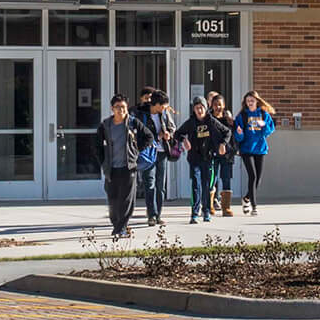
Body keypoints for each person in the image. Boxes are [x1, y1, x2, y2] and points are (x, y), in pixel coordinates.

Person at [95, 97, 154, 240]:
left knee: (126, 200)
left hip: (128, 167)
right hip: (112, 168)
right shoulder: (106, 125)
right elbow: (97, 146)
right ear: (112, 109)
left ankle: (120, 228)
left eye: (123, 107)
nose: (120, 110)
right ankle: (117, 225)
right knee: (113, 199)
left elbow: (149, 136)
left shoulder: (133, 122)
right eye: (117, 107)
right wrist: (103, 162)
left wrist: (136, 150)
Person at [171, 99, 231, 226]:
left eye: (201, 107)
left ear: (206, 108)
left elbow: (227, 132)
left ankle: (207, 211)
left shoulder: (211, 121)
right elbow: (177, 133)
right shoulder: (191, 122)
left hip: (208, 158)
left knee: (207, 186)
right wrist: (184, 140)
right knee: (196, 185)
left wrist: (222, 144)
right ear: (194, 109)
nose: (199, 110)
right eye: (197, 108)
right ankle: (194, 213)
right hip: (195, 159)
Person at [134, 90, 176, 229]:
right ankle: (151, 215)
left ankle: (158, 215)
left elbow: (172, 127)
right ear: (157, 104)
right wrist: (156, 136)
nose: (165, 108)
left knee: (160, 185)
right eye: (163, 106)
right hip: (148, 153)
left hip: (162, 152)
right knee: (149, 184)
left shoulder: (164, 114)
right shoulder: (142, 114)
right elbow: (140, 132)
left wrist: (168, 133)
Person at [230, 93, 275, 215]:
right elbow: (238, 137)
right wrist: (239, 133)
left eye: (252, 100)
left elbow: (269, 131)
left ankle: (246, 198)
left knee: (258, 179)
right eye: (248, 101)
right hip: (246, 150)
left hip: (260, 149)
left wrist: (264, 125)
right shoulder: (242, 116)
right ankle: (254, 207)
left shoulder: (263, 114)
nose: (250, 103)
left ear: (257, 101)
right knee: (253, 176)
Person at [206, 95, 239, 216]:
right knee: (211, 179)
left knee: (226, 179)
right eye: (215, 104)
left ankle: (226, 208)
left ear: (224, 105)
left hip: (227, 154)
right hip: (212, 154)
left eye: (220, 104)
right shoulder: (208, 119)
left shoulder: (228, 120)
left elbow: (234, 136)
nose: (218, 107)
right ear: (211, 105)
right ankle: (209, 206)